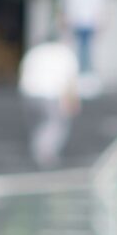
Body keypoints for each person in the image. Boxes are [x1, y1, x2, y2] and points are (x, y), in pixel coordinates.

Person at [18, 34, 81, 168]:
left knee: (38, 123)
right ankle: (44, 152)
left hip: (29, 93)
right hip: (52, 94)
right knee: (55, 124)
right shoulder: (65, 54)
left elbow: (23, 71)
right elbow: (70, 80)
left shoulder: (34, 52)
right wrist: (73, 100)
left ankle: (39, 149)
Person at [55, 0, 114, 81]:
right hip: (79, 20)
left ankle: (85, 72)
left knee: (85, 48)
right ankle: (82, 72)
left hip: (87, 20)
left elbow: (63, 0)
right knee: (82, 48)